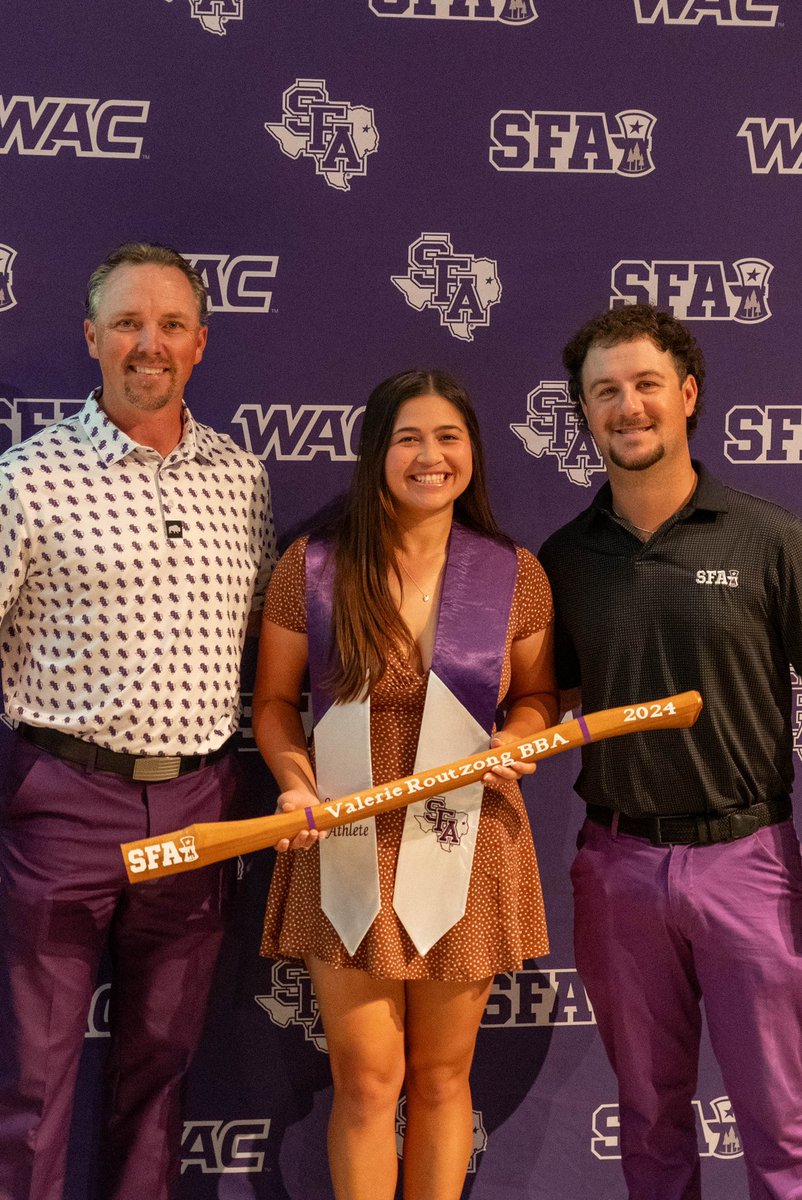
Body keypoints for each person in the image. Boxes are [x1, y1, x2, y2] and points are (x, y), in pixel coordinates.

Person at [0, 242, 276, 1200]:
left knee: (161, 1067)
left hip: (202, 802)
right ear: (90, 338)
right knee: (35, 1080)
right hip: (64, 802)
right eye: (126, 323)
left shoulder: (242, 482)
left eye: (168, 325)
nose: (147, 344)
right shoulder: (27, 478)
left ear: (200, 343)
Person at [253, 369, 557, 1200]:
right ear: (376, 454)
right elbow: (275, 705)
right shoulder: (312, 568)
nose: (431, 457)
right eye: (409, 439)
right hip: (345, 831)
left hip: (465, 839)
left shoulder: (513, 573)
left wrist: (520, 737)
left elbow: (537, 696)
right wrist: (293, 781)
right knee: (365, 1081)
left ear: (473, 454)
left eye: (449, 438)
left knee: (442, 1077)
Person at [538, 303, 802, 1200]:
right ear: (584, 412)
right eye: (604, 392)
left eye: (647, 384)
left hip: (748, 859)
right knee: (649, 1122)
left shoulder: (768, 538)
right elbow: (550, 699)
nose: (628, 406)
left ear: (687, 394)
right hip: (617, 867)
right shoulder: (563, 558)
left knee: (781, 1123)